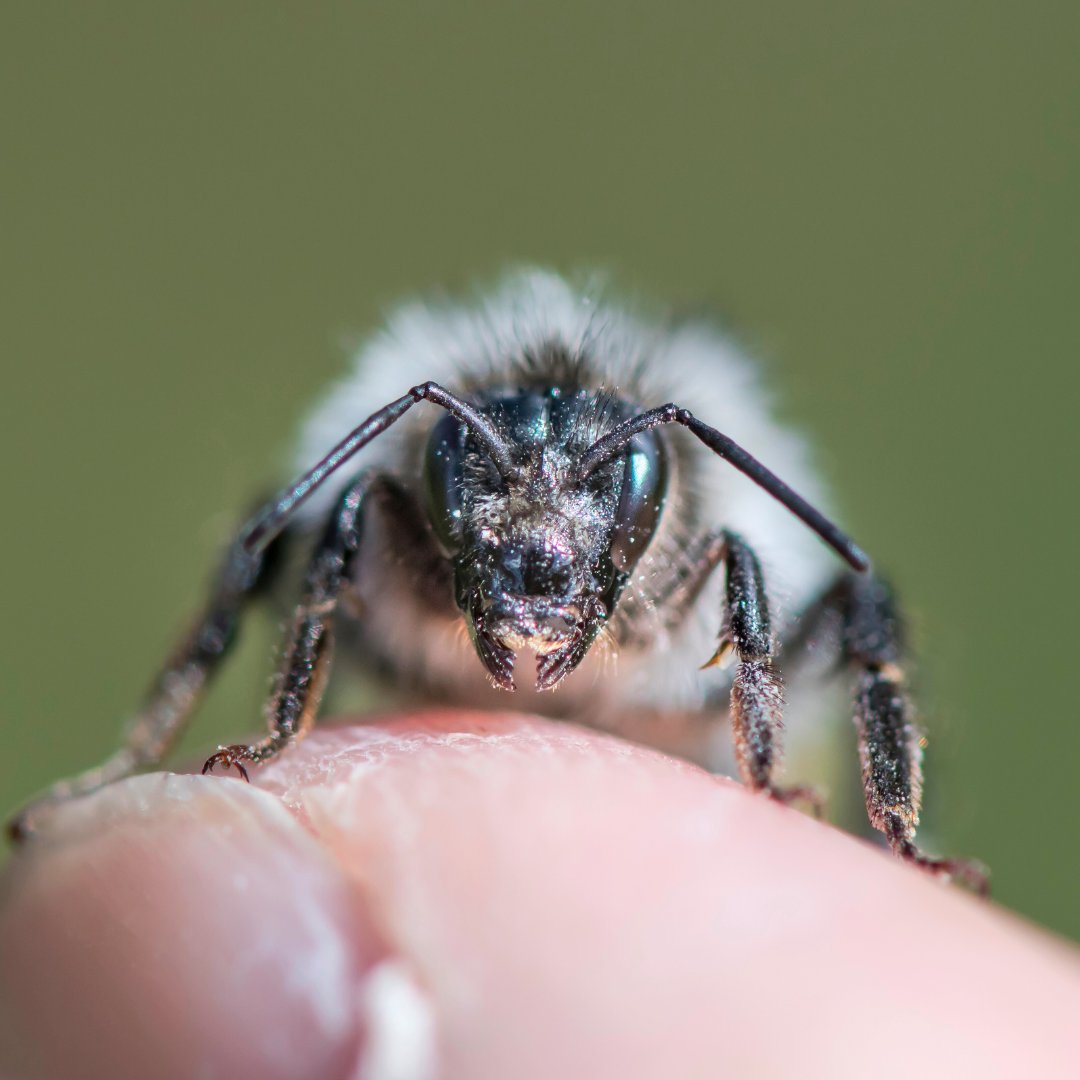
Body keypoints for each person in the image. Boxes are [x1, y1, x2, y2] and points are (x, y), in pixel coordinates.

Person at [1, 711, 1077, 1079]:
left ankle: (893, 829)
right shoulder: (383, 502)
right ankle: (141, 745)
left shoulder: (715, 544)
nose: (541, 531)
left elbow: (844, 601)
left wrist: (876, 835)